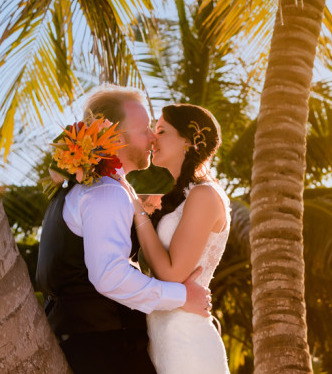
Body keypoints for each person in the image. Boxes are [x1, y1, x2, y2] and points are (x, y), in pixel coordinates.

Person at [37, 86, 212, 374]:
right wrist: (183, 297)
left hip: (82, 344)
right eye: (144, 129)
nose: (153, 137)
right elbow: (108, 276)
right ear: (117, 137)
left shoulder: (79, 189)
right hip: (107, 352)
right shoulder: (106, 192)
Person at [117, 103, 231, 374]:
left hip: (189, 346)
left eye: (161, 130)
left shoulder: (204, 196)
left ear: (188, 142)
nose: (153, 138)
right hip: (164, 340)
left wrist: (136, 209)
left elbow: (171, 273)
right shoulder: (181, 198)